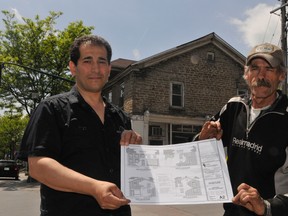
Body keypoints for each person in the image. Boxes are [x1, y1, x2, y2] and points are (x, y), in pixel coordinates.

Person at [18, 35, 142, 216]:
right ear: (72, 68)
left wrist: (135, 149)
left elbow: (131, 172)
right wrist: (94, 187)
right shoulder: (51, 108)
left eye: (102, 61)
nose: (95, 68)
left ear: (108, 69)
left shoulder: (121, 117)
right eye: (87, 60)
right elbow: (38, 165)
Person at [196, 42, 288, 215]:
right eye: (254, 68)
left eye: (269, 69)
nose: (261, 75)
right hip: (231, 211)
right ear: (246, 74)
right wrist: (203, 139)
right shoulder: (233, 107)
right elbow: (200, 150)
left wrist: (268, 206)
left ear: (282, 75)